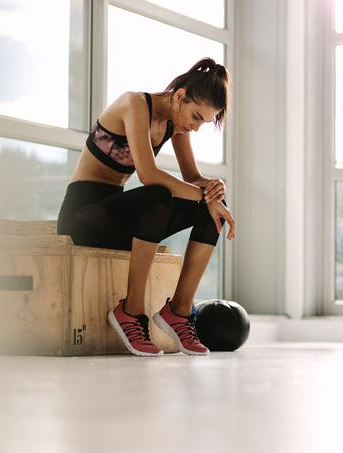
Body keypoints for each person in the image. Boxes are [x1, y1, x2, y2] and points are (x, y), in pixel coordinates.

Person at [57, 57, 235, 357]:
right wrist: (204, 196)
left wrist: (216, 191)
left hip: (118, 220)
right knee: (158, 195)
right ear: (180, 96)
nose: (196, 127)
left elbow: (192, 178)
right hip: (83, 218)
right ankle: (131, 311)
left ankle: (178, 312)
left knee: (210, 209)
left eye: (202, 122)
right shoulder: (134, 104)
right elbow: (148, 175)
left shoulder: (175, 125)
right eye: (196, 117)